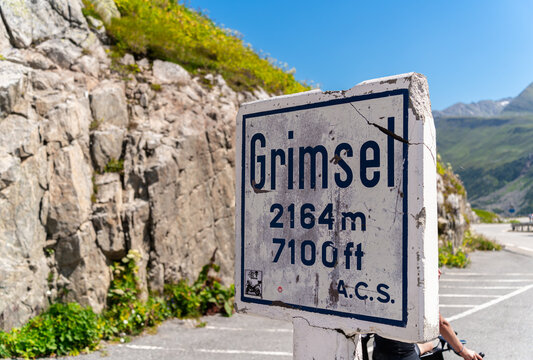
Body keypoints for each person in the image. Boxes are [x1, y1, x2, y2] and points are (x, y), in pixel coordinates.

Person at [372, 269, 483, 360]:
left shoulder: (388, 282)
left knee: (431, 344)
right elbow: (441, 324)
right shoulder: (418, 291)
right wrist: (463, 351)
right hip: (403, 356)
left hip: (380, 351)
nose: (439, 271)